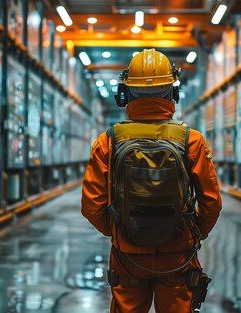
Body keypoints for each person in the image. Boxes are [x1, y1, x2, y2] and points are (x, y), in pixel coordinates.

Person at [81, 49, 222, 313]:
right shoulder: (191, 140)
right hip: (178, 253)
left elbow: (91, 206)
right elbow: (212, 203)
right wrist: (193, 233)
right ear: (172, 92)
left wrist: (120, 231)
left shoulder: (108, 141)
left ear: (126, 94)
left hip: (128, 254)